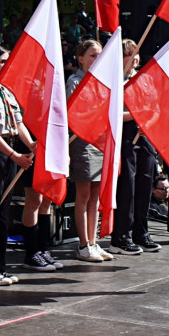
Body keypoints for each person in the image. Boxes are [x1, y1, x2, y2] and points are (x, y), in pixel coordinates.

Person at [0, 45, 33, 286]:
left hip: (10, 150)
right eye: (2, 61)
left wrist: (31, 144)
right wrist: (13, 155)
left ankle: (0, 265)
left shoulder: (6, 91)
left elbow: (17, 122)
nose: (6, 65)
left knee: (3, 213)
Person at [111, 39, 161, 253]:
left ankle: (142, 233)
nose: (135, 59)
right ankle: (122, 236)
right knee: (127, 187)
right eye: (128, 54)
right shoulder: (113, 82)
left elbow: (156, 109)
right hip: (125, 136)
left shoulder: (143, 81)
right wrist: (135, 116)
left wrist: (146, 123)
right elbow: (110, 113)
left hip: (144, 134)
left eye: (136, 54)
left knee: (144, 184)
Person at [68, 40, 114, 262]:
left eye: (99, 55)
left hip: (99, 142)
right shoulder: (75, 81)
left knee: (95, 196)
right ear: (81, 58)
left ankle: (93, 241)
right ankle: (83, 244)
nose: (96, 60)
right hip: (82, 142)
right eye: (92, 55)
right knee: (84, 194)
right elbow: (75, 112)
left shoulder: (102, 82)